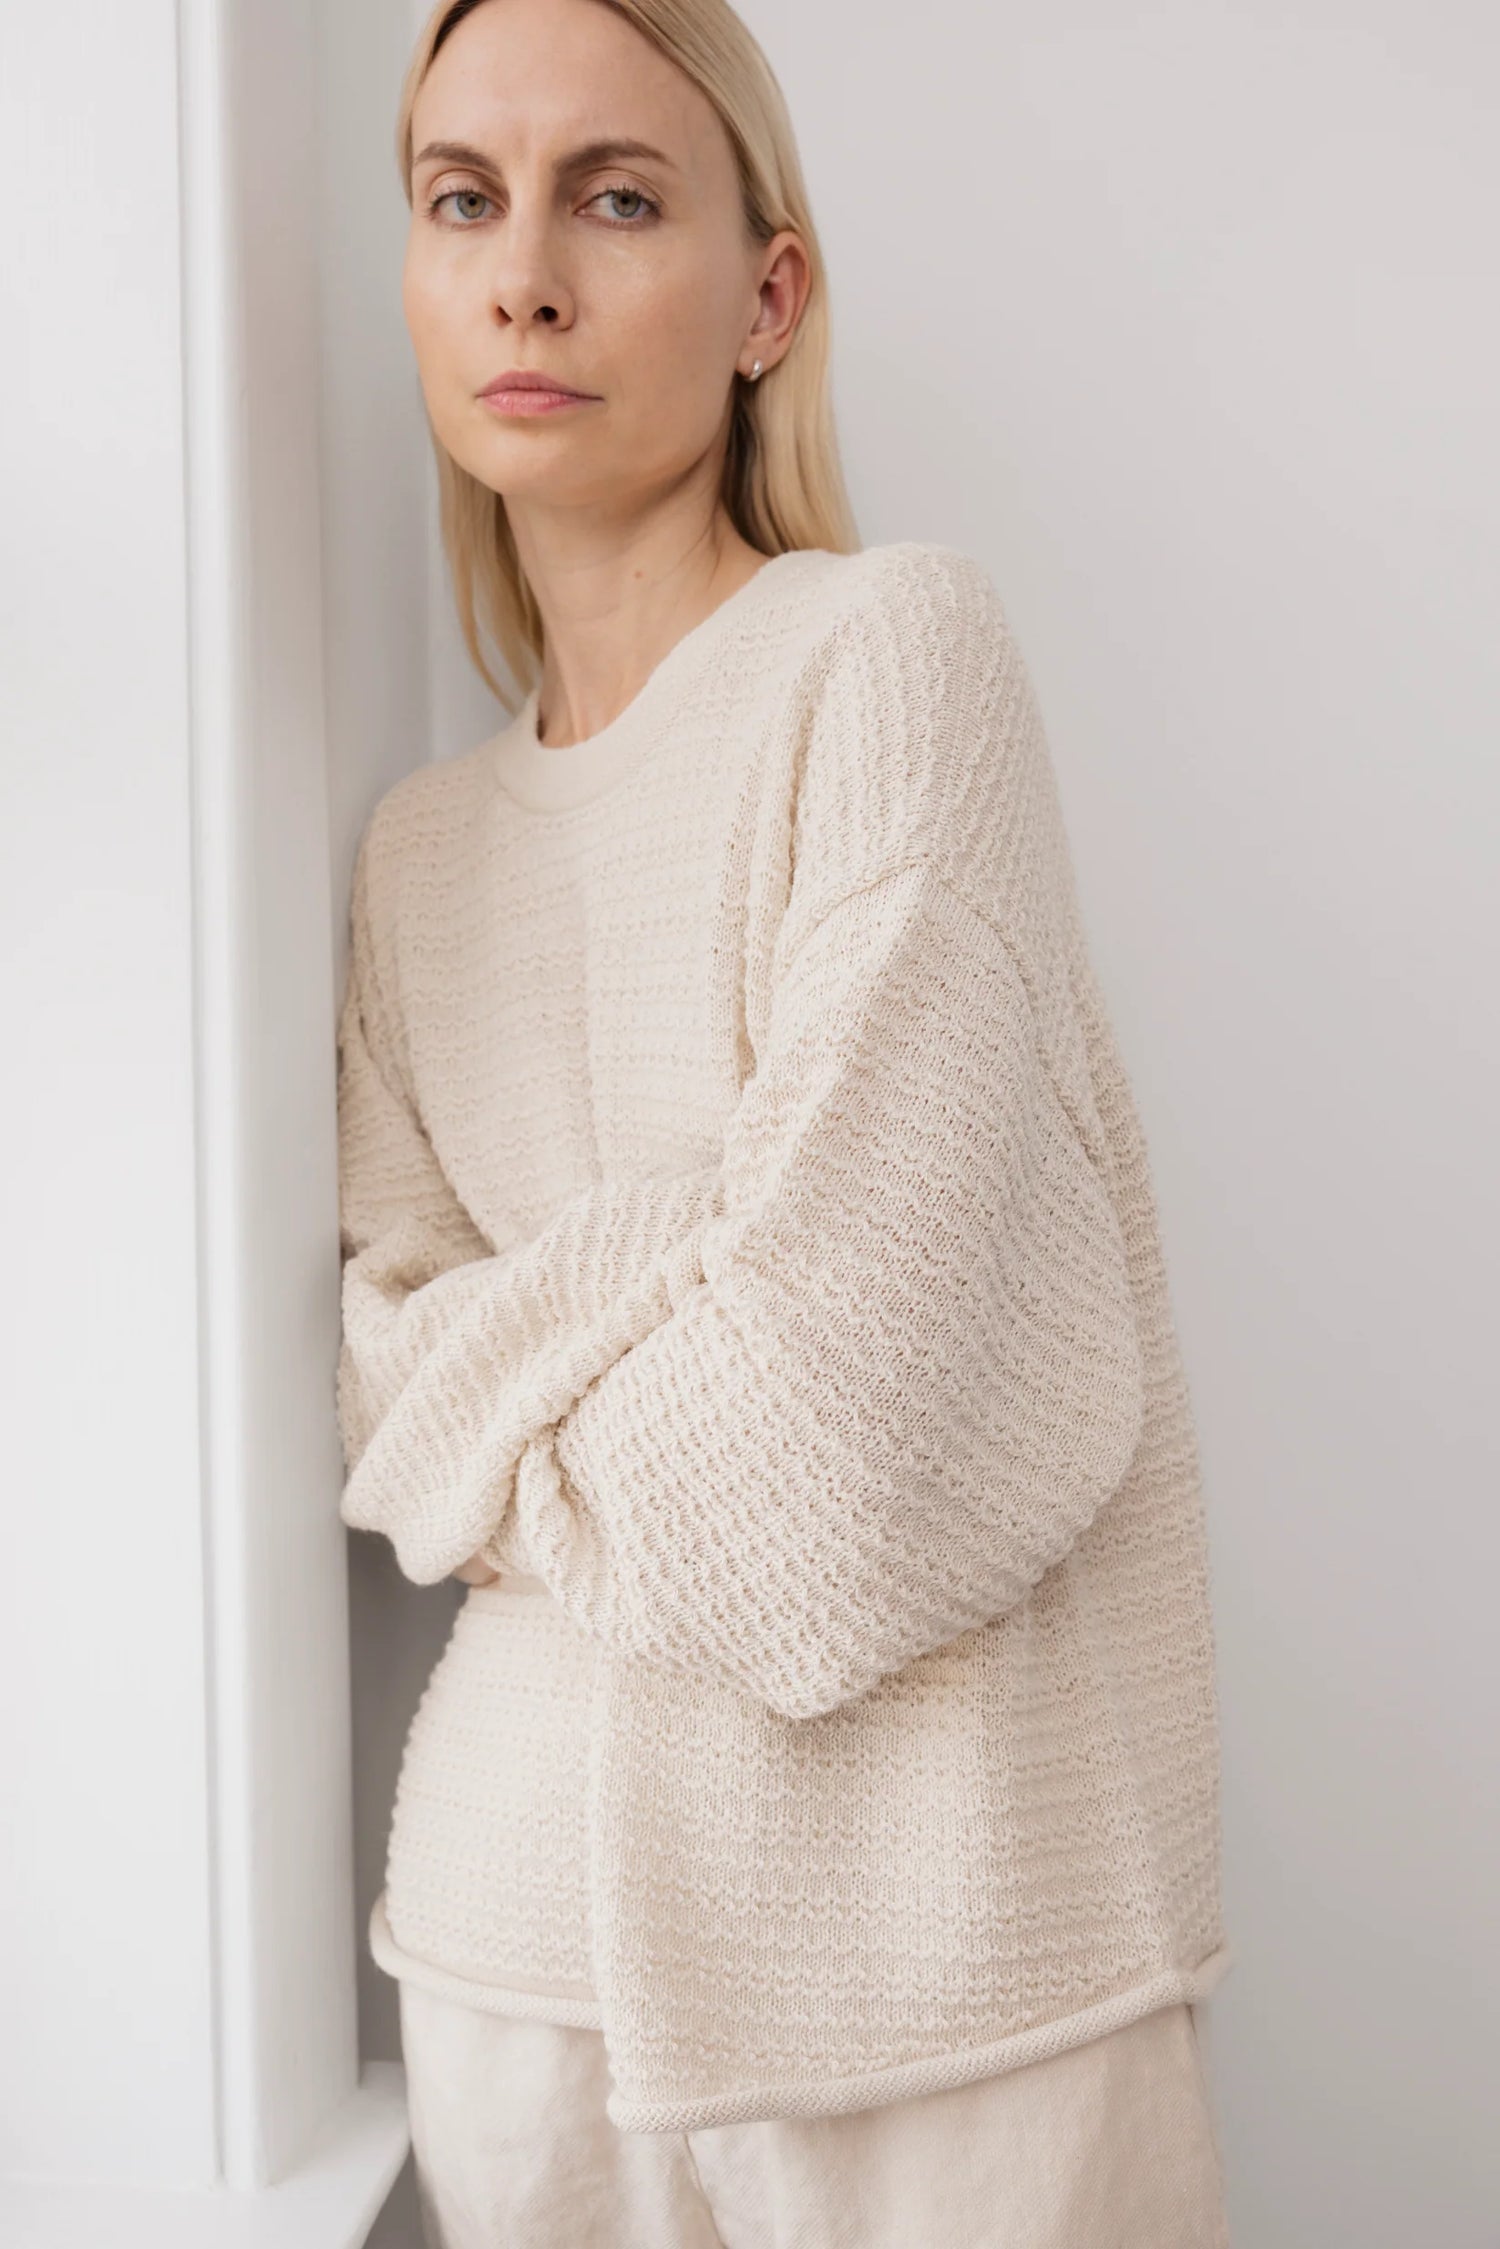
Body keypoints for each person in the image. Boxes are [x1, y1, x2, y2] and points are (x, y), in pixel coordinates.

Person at [334, 0, 1234, 2241]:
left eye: (616, 198)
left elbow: (840, 1455)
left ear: (768, 296)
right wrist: (697, 1245)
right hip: (511, 1971)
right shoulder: (411, 860)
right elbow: (379, 1399)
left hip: (944, 1986)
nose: (523, 276)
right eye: (463, 199)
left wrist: (528, 1379)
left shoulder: (892, 659)